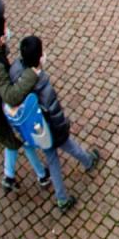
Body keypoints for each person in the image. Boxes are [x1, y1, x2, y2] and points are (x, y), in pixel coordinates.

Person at [11, 37, 99, 212]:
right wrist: (63, 129)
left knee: (52, 159)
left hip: (36, 130)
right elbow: (55, 113)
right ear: (39, 58)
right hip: (51, 129)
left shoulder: (15, 72)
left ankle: (61, 198)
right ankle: (89, 161)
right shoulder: (43, 86)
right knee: (70, 146)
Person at [0, 10, 46, 194]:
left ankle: (9, 176)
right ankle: (43, 175)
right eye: (5, 29)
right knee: (24, 141)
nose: (8, 31)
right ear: (0, 38)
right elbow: (11, 96)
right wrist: (32, 73)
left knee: (11, 142)